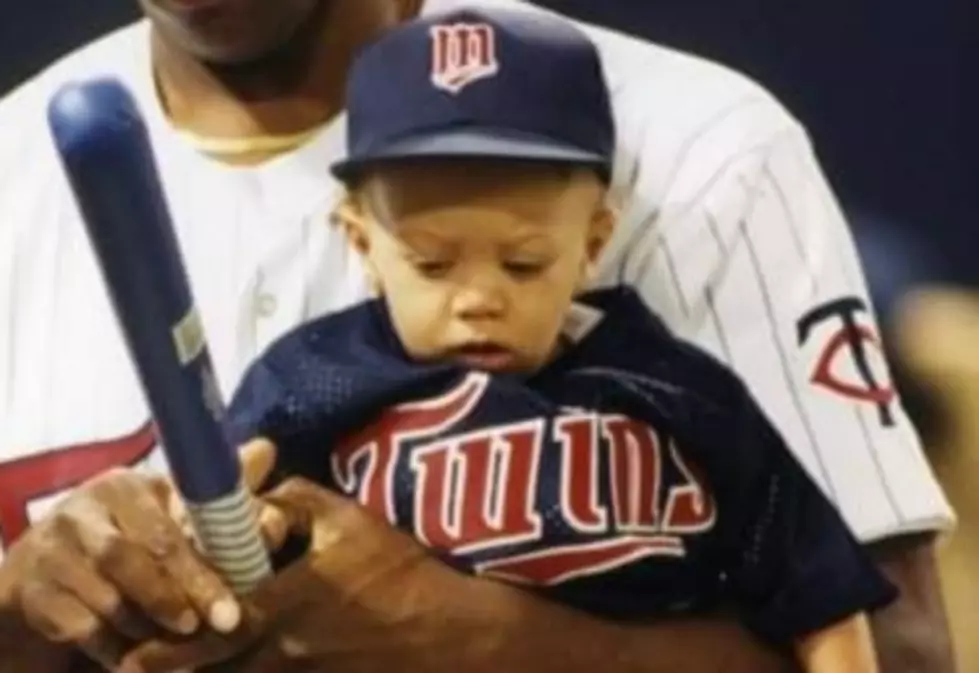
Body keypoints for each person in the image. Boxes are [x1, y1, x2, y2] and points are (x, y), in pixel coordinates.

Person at [0, 0, 954, 671]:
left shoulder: (696, 151)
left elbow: (902, 651)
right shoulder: (15, 171)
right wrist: (26, 609)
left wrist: (519, 648)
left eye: (525, 266)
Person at [218, 9, 894, 672]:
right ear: (362, 243)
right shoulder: (315, 378)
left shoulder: (679, 394)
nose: (479, 298)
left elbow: (818, 596)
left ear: (592, 245)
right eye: (431, 264)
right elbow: (216, 532)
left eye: (522, 264)